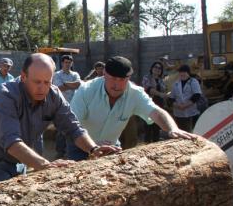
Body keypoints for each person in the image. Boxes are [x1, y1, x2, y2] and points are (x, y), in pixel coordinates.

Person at [0, 53, 116, 183]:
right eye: (37, 82)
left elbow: (73, 129)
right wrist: (46, 166)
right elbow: (11, 142)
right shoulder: (6, 96)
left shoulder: (54, 95)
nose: (42, 88)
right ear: (23, 77)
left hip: (19, 159)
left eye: (47, 82)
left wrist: (93, 149)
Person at [67, 56, 195, 161]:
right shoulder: (86, 91)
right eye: (113, 79)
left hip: (111, 148)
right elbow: (73, 126)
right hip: (81, 147)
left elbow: (156, 112)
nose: (117, 85)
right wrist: (92, 148)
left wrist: (173, 129)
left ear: (129, 78)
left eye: (122, 80)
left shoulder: (135, 94)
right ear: (104, 74)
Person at [52, 54, 81, 158]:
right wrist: (71, 85)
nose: (67, 64)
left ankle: (71, 151)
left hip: (74, 105)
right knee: (61, 130)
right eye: (66, 62)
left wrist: (66, 84)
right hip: (61, 105)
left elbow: (78, 84)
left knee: (74, 127)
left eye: (69, 62)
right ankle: (60, 153)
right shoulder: (56, 75)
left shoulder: (75, 74)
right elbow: (59, 88)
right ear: (62, 63)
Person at [168, 64, 202, 132]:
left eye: (184, 72)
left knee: (194, 132)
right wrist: (178, 106)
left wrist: (185, 105)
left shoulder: (193, 81)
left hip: (192, 113)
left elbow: (197, 95)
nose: (182, 74)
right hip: (179, 114)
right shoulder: (176, 83)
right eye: (181, 72)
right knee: (182, 133)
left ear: (188, 73)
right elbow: (171, 98)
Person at [141, 61, 167, 143]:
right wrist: (161, 94)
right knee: (148, 126)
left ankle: (155, 144)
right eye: (155, 67)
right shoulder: (147, 77)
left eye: (160, 68)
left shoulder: (161, 80)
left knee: (157, 127)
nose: (157, 69)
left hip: (159, 104)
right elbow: (148, 89)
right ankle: (147, 144)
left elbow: (165, 90)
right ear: (152, 68)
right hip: (149, 104)